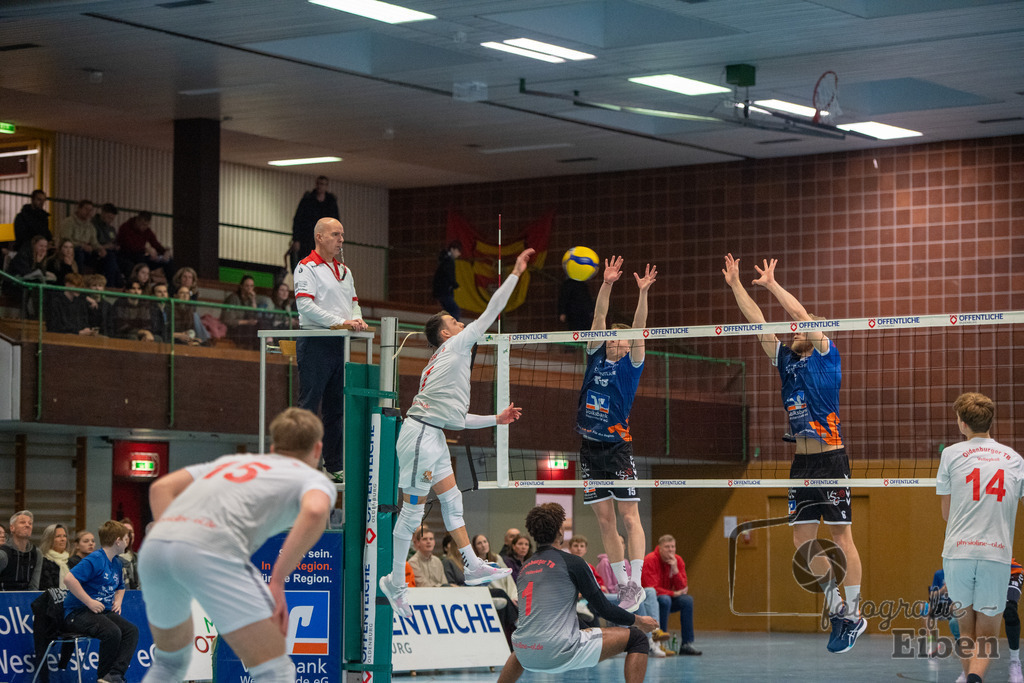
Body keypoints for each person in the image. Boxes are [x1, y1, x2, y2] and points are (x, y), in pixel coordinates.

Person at [378, 248, 537, 618]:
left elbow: (456, 418)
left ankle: (471, 563)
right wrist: (515, 272)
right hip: (419, 436)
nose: (460, 322)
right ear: (445, 332)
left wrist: (495, 420)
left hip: (432, 435)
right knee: (411, 511)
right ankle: (395, 582)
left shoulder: (446, 358)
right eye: (453, 319)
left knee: (452, 502)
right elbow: (491, 312)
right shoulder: (456, 344)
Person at [722, 253, 866, 652]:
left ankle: (853, 614)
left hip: (831, 459)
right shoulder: (785, 361)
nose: (797, 328)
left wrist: (771, 285)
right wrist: (735, 285)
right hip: (801, 462)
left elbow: (800, 314)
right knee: (802, 542)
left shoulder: (826, 355)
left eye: (804, 326)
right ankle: (836, 606)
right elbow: (758, 325)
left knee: (842, 536)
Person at [138, 407, 336, 683]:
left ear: (273, 446)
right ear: (317, 449)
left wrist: (175, 541)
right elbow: (315, 511)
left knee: (170, 663)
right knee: (275, 671)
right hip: (212, 549)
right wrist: (277, 580)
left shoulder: (230, 462)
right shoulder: (312, 478)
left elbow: (160, 489)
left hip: (155, 549)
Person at [575, 255, 657, 613]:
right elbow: (598, 319)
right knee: (605, 521)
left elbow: (638, 328)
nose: (613, 341)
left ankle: (636, 580)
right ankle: (624, 586)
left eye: (619, 339)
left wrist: (642, 294)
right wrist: (606, 283)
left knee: (629, 517)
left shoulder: (630, 366)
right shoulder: (594, 355)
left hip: (618, 448)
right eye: (610, 338)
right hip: (589, 448)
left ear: (627, 347)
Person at [495, 503, 657, 683]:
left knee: (525, 645)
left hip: (524, 652)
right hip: (560, 652)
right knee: (638, 639)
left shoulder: (525, 567)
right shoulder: (573, 563)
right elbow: (604, 609)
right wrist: (639, 621)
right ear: (560, 530)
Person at [937, 392, 1024, 683]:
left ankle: (972, 679)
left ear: (961, 423)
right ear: (991, 421)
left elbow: (947, 514)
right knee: (987, 634)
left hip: (958, 553)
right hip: (995, 555)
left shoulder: (949, 454)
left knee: (966, 630)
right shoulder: (1014, 459)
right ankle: (975, 678)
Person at [293, 217, 368, 484]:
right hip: (315, 342)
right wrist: (341, 322)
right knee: (309, 405)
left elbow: (354, 302)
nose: (341, 240)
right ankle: (300, 462)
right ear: (320, 237)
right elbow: (306, 307)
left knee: (336, 408)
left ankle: (333, 464)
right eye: (336, 235)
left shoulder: (345, 271)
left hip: (340, 344)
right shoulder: (306, 267)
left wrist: (356, 319)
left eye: (342, 235)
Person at [63, 520, 139, 683]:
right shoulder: (96, 559)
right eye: (126, 538)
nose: (128, 542)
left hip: (100, 611)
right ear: (118, 541)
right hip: (78, 612)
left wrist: (118, 600)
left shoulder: (117, 562)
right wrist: (89, 601)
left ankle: (115, 674)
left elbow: (120, 586)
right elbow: (69, 579)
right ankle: (103, 676)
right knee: (112, 632)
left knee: (131, 631)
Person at [641, 535, 701, 655]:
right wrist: (673, 593)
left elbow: (682, 587)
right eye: (667, 547)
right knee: (665, 600)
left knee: (687, 600)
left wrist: (675, 570)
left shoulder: (677, 560)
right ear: (660, 548)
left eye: (673, 547)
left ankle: (687, 644)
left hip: (669, 596)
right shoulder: (650, 560)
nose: (671, 550)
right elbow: (651, 588)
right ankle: (660, 642)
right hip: (652, 600)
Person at [290, 176, 340, 272]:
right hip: (307, 238)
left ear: (326, 186)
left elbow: (335, 222)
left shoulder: (331, 202)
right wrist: (296, 239)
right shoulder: (308, 199)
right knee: (306, 262)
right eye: (319, 184)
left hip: (324, 240)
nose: (320, 186)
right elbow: (298, 219)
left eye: (323, 184)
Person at [116, 211, 173, 277]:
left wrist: (165, 252)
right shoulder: (125, 227)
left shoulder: (147, 231)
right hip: (126, 256)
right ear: (137, 220)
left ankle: (172, 285)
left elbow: (156, 244)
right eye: (142, 224)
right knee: (138, 262)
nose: (143, 227)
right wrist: (146, 250)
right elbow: (129, 245)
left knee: (168, 261)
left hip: (141, 256)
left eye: (146, 225)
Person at [0, 510, 43, 590]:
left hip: (26, 599)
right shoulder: (3, 554)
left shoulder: (37, 554)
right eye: (22, 522)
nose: (27, 525)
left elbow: (34, 587)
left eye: (30, 523)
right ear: (12, 528)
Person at [923, 568, 960, 657]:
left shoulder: (959, 574)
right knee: (924, 608)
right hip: (939, 604)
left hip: (953, 604)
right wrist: (942, 590)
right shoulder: (939, 574)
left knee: (957, 611)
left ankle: (960, 642)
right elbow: (932, 595)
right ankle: (932, 643)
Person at [432, 240, 461, 321]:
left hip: (443, 291)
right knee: (455, 310)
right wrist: (455, 284)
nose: (459, 254)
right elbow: (449, 275)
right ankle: (451, 327)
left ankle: (447, 326)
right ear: (452, 249)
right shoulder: (448, 261)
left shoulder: (444, 259)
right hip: (444, 291)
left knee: (448, 311)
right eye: (458, 251)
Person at [1005, 558, 1023, 683]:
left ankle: (1015, 661)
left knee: (1010, 609)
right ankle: (971, 667)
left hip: (1011, 570)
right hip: (983, 569)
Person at [39, 523, 71, 589]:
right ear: (49, 539)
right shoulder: (43, 562)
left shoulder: (71, 562)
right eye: (58, 536)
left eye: (64, 536)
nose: (63, 539)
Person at [118, 518, 140, 590]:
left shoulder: (139, 558)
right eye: (125, 532)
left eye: (131, 532)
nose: (128, 535)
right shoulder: (110, 559)